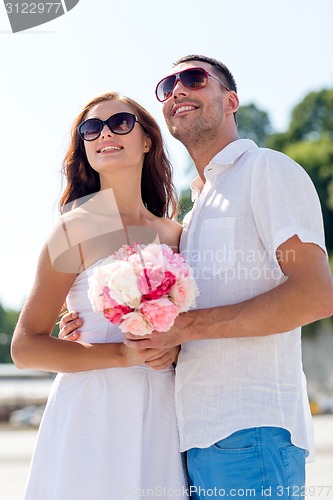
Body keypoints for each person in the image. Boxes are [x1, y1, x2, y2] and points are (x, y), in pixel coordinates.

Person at [59, 56, 333, 499]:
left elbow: (316, 295)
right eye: (167, 85)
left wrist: (183, 328)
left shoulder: (266, 170)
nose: (177, 91)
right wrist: (94, 320)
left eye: (193, 78)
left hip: (253, 430)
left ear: (231, 100)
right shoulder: (196, 210)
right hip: (192, 439)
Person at [11, 92, 189, 500]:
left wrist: (176, 349)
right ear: (85, 147)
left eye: (121, 122)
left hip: (160, 411)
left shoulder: (175, 235)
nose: (105, 133)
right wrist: (121, 356)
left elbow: (190, 330)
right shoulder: (73, 229)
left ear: (147, 140)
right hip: (89, 409)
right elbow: (25, 347)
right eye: (91, 128)